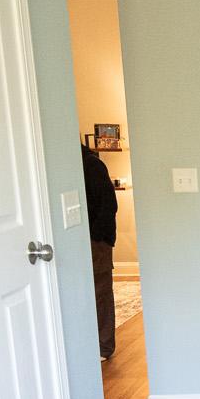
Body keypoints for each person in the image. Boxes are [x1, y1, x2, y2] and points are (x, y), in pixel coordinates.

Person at [82, 144, 118, 359]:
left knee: (100, 292)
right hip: (80, 238)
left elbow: (108, 205)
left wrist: (96, 236)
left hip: (97, 240)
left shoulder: (91, 165)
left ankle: (104, 346)